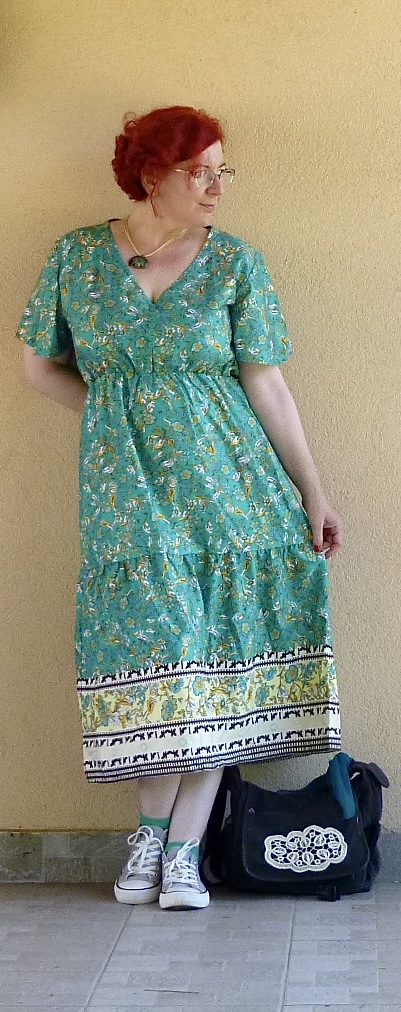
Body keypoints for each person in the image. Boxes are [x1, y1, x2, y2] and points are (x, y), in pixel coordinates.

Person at [17, 104, 344, 911]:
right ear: (150, 173)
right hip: (128, 500)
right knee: (161, 660)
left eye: (221, 171)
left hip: (235, 493)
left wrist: (311, 489)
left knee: (217, 666)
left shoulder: (234, 263)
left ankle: (181, 856)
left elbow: (265, 381)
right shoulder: (76, 257)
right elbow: (37, 367)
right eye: (199, 171)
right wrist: (116, 415)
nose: (215, 186)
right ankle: (150, 838)